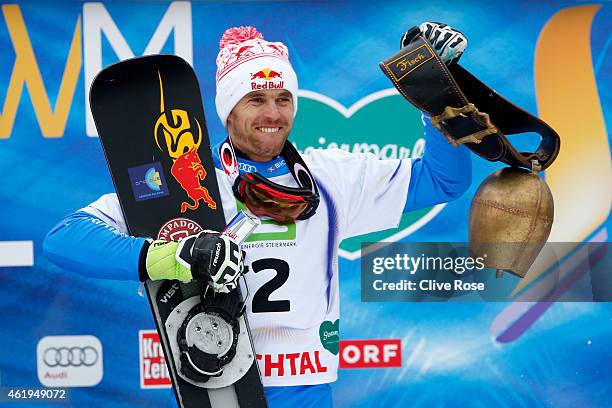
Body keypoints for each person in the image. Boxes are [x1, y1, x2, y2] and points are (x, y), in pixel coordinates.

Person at [44, 22, 471, 408]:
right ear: (227, 110)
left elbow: (442, 181)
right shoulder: (187, 183)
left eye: (283, 99)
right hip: (218, 386)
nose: (273, 113)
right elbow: (63, 238)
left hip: (304, 391)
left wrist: (437, 94)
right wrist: (176, 255)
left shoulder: (329, 176)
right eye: (256, 99)